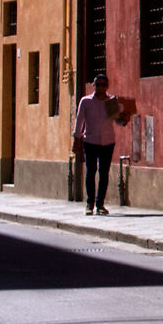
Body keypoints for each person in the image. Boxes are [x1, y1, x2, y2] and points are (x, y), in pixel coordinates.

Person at [71, 73, 125, 216]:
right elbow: (79, 121)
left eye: (103, 85)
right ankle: (89, 203)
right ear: (94, 86)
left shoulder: (111, 101)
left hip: (108, 141)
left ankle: (100, 204)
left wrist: (124, 115)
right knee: (90, 172)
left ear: (106, 86)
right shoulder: (86, 101)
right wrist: (76, 139)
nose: (100, 88)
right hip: (90, 141)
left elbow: (118, 121)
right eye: (98, 85)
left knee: (104, 173)